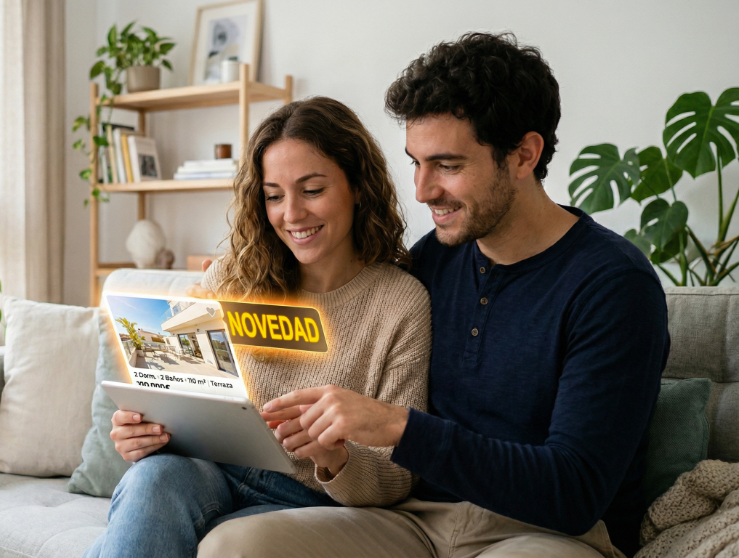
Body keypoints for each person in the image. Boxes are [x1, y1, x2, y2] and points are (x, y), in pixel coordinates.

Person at [196, 32, 670, 558]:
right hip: (415, 525)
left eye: (447, 165)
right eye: (416, 163)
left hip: (544, 533)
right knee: (235, 546)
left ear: (523, 155)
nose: (421, 190)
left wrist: (399, 427)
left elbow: (575, 492)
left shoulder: (612, 285)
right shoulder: (435, 259)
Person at [82, 96, 432, 558]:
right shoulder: (229, 277)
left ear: (358, 187)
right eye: (273, 195)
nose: (291, 214)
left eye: (312, 190)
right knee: (152, 477)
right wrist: (143, 432)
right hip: (208, 472)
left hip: (311, 501)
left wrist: (333, 455)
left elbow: (398, 475)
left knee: (224, 545)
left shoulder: (401, 303)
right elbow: (182, 397)